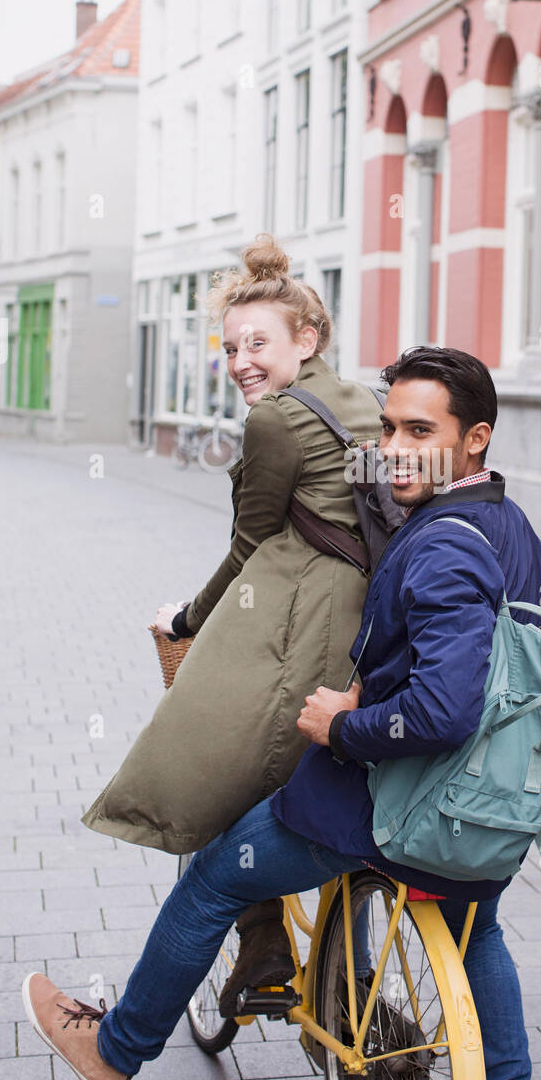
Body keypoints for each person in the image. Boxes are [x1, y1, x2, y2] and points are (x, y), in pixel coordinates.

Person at [24, 346, 541, 1080]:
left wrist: (344, 725)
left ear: (475, 438)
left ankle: (113, 1053)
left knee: (214, 873)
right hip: (489, 810)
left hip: (394, 801)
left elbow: (446, 708)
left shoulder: (441, 546)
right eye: (388, 429)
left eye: (420, 431)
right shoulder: (511, 528)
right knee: (477, 934)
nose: (394, 451)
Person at [80, 232, 384, 985]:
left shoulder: (274, 419)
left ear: (305, 339)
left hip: (303, 626)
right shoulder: (362, 400)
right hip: (369, 627)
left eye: (258, 343)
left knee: (212, 768)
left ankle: (265, 949)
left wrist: (186, 621)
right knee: (313, 787)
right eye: (229, 347)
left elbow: (248, 543)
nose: (241, 360)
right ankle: (340, 978)